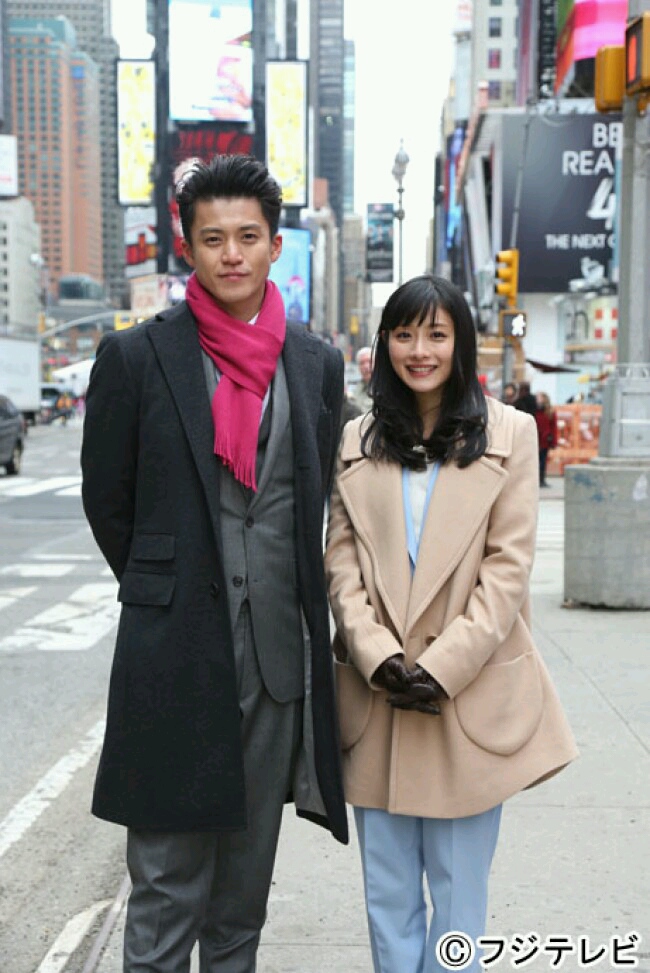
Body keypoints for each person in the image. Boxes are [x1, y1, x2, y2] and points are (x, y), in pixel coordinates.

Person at [81, 154, 348, 973]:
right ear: (187, 247)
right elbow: (108, 500)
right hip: (173, 654)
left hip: (275, 664)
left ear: (275, 245)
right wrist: (168, 587)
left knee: (241, 896)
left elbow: (310, 492)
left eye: (248, 237)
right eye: (213, 239)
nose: (232, 253)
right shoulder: (136, 357)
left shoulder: (315, 363)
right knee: (166, 887)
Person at [325, 274, 578, 973]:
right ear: (384, 344)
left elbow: (508, 570)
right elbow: (340, 564)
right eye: (405, 334)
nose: (420, 350)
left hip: (466, 698)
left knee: (460, 900)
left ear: (461, 342)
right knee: (387, 900)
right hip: (378, 698)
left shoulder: (511, 432)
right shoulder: (356, 439)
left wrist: (442, 667)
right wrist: (375, 653)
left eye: (436, 334)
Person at [535, 390, 557, 488]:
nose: (537, 399)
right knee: (535, 461)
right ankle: (536, 480)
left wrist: (553, 441)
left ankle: (542, 479)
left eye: (540, 397)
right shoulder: (535, 410)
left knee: (543, 461)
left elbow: (553, 427)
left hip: (545, 440)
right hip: (536, 439)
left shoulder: (550, 412)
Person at [351, 345, 373, 413]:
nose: (366, 366)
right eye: (362, 363)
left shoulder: (383, 389)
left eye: (370, 361)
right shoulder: (356, 389)